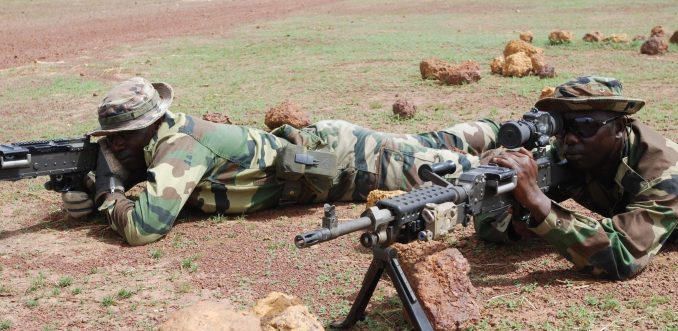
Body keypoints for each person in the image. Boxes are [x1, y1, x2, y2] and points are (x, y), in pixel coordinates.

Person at [62, 77, 499, 246]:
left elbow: (142, 228)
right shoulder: (164, 141)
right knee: (426, 143)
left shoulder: (180, 145)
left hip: (350, 161)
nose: (116, 148)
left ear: (151, 124)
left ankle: (516, 144)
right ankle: (493, 127)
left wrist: (107, 191)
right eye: (110, 140)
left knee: (458, 169)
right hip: (329, 158)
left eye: (123, 138)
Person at [485, 76, 677, 280]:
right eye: (562, 127)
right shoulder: (567, 154)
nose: (570, 138)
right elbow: (490, 216)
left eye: (584, 126)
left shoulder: (664, 172)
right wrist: (513, 222)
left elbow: (620, 255)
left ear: (619, 127)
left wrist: (537, 201)